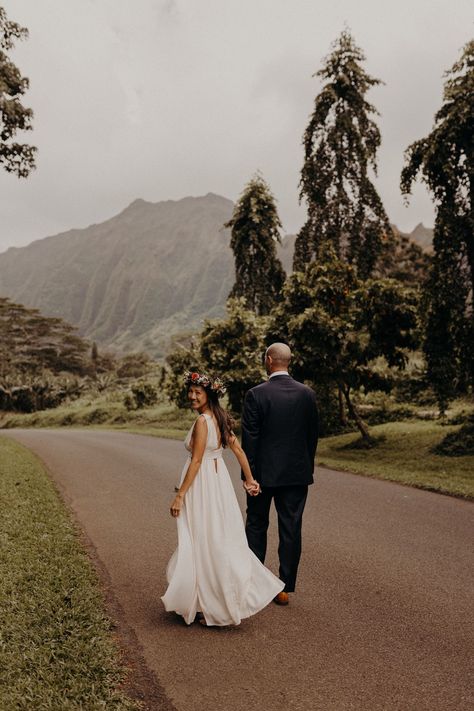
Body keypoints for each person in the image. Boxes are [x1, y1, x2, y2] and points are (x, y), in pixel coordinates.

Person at [161, 370, 284, 627]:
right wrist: (249, 479)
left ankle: (206, 599)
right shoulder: (219, 417)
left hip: (203, 485)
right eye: (191, 391)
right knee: (214, 535)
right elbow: (237, 449)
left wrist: (180, 495)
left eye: (198, 392)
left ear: (209, 395)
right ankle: (206, 597)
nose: (192, 396)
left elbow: (196, 460)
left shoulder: (203, 422)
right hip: (217, 484)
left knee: (200, 537)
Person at [241, 343, 318, 606]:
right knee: (291, 528)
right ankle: (284, 587)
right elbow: (311, 437)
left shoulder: (255, 394)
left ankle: (254, 582)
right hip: (296, 475)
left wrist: (247, 476)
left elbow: (250, 439)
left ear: (269, 360)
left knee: (256, 525)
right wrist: (307, 467)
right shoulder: (307, 394)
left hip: (262, 475)